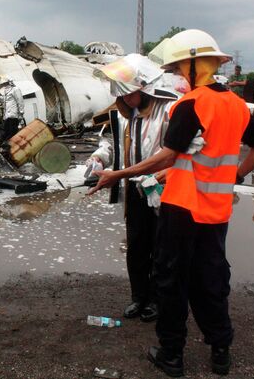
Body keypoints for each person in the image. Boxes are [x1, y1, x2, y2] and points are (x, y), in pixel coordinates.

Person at [88, 29, 254, 377]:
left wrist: (118, 174)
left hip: (182, 207)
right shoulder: (234, 104)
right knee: (211, 279)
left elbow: (167, 155)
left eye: (176, 69)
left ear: (193, 65)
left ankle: (171, 354)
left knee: (171, 280)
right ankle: (221, 351)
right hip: (216, 211)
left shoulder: (191, 104)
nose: (174, 75)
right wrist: (235, 175)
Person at [97, 53, 184, 323]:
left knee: (161, 247)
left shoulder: (170, 108)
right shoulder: (121, 113)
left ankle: (157, 300)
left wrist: (168, 172)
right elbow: (109, 143)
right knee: (136, 245)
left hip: (161, 190)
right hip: (133, 190)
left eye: (127, 94)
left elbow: (180, 151)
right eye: (120, 94)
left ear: (143, 86)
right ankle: (139, 296)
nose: (123, 99)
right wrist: (98, 157)